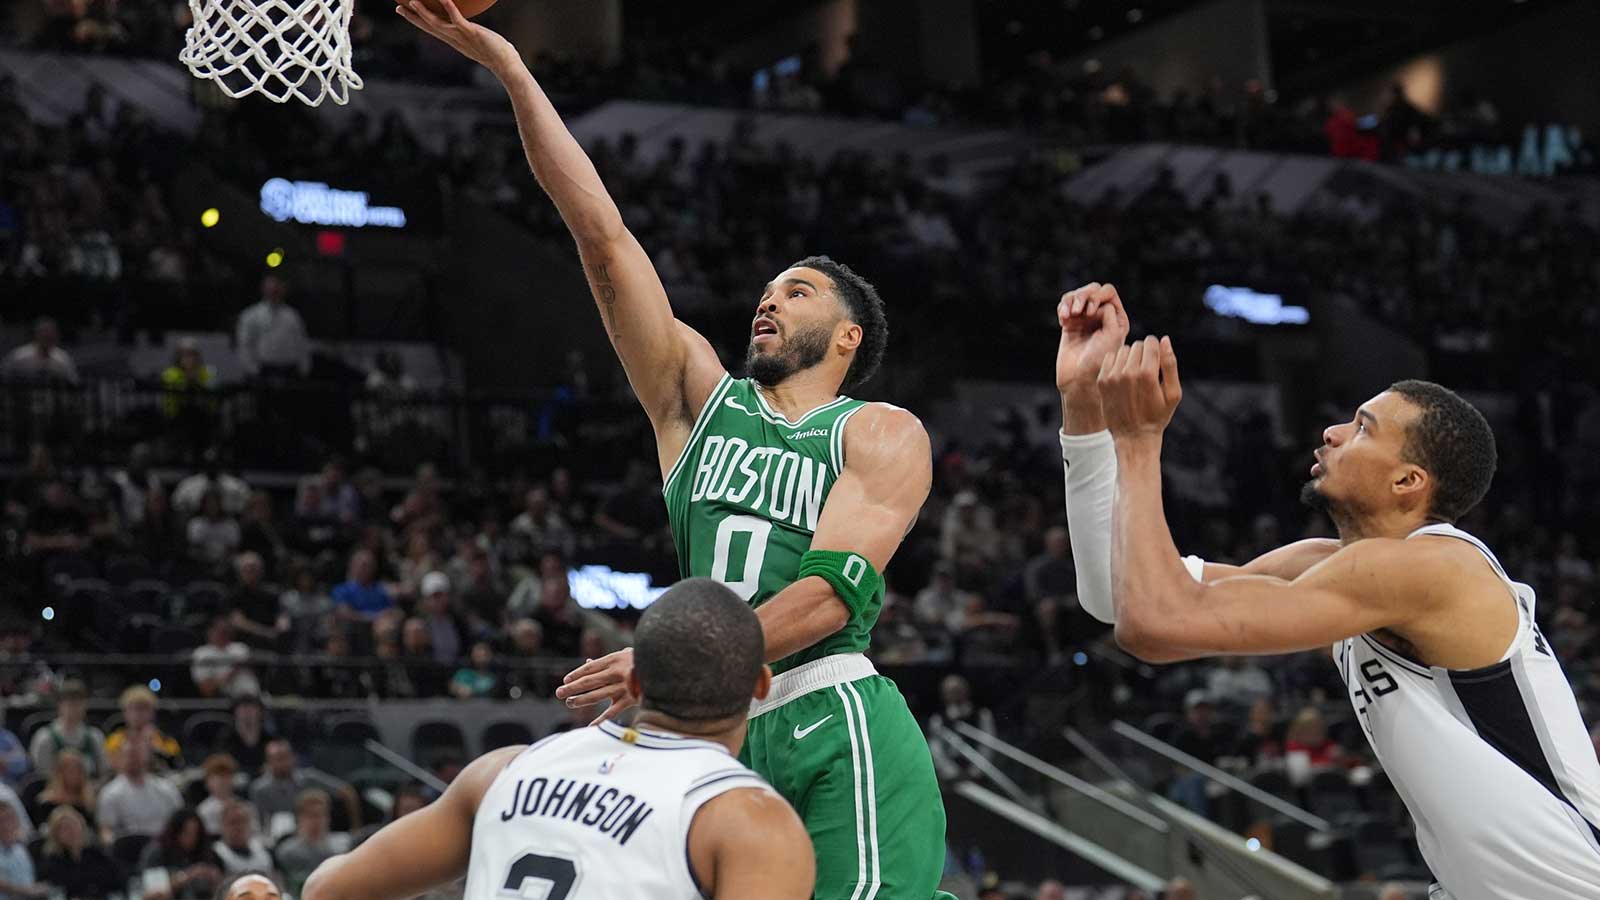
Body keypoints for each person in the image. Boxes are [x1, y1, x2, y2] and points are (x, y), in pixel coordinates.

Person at [406, 11, 946, 894]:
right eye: (765, 292)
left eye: (796, 292)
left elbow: (821, 599)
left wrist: (673, 658)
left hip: (823, 707)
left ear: (848, 336)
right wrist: (511, 71)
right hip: (704, 731)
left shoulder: (878, 429)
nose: (768, 303)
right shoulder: (697, 400)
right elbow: (604, 240)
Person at [1054, 282, 1600, 899]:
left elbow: (1155, 622)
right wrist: (1085, 410)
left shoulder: (1435, 569)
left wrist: (1139, 442)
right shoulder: (1334, 566)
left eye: (1363, 428)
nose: (1333, 432)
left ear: (1408, 481)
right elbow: (1119, 596)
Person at [300, 576, 813, 900]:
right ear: (760, 685)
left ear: (633, 684)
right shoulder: (749, 822)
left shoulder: (504, 769)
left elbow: (326, 889)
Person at [98, 739, 184, 845]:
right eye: (129, 755)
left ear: (146, 757)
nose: (134, 759)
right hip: (130, 849)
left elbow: (181, 820)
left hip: (165, 846)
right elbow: (106, 830)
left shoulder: (167, 788)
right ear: (120, 758)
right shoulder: (110, 793)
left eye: (138, 755)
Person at [27, 680, 109, 780]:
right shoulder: (44, 738)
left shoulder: (95, 737)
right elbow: (42, 776)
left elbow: (104, 773)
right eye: (70, 703)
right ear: (60, 705)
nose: (74, 708)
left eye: (78, 703)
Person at [35, 807, 123, 900]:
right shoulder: (51, 863)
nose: (72, 831)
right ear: (55, 834)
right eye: (65, 828)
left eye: (74, 825)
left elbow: (117, 879)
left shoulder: (96, 855)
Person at [273, 790, 348, 896]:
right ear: (299, 818)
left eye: (321, 815)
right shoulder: (286, 852)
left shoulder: (341, 848)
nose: (317, 821)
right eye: (311, 815)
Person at [137, 809, 223, 900]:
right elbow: (155, 893)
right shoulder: (157, 853)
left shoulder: (205, 851)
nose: (192, 839)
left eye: (196, 834)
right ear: (176, 833)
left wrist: (215, 878)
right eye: (187, 833)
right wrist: (187, 876)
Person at [235, 274, 310, 379]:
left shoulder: (292, 316)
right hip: (263, 370)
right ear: (264, 290)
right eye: (271, 289)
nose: (275, 292)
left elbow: (301, 343)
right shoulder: (251, 315)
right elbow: (244, 345)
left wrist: (304, 367)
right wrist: (252, 369)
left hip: (290, 370)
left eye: (278, 288)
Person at [106, 684, 184, 773]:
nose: (137, 714)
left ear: (152, 711)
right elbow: (110, 768)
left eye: (143, 708)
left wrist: (153, 748)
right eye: (133, 708)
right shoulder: (114, 740)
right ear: (125, 712)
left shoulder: (166, 741)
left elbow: (176, 768)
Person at [192, 616, 259, 700]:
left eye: (227, 630)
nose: (224, 633)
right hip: (228, 700)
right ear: (210, 631)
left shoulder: (241, 648)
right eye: (220, 630)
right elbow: (207, 690)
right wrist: (233, 672)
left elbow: (256, 672)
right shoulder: (202, 653)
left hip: (255, 698)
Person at [28, 750, 95, 833]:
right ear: (59, 773)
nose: (74, 774)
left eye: (78, 769)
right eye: (70, 769)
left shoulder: (87, 803)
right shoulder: (46, 803)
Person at [1, 318, 78, 384]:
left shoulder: (63, 359)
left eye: (50, 337)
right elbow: (3, 376)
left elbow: (74, 382)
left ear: (56, 336)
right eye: (44, 335)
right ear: (36, 335)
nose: (47, 339)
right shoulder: (19, 356)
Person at [210, 801, 274, 875]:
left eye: (243, 821)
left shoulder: (264, 850)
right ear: (222, 826)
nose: (239, 827)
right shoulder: (215, 854)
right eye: (233, 822)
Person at [214, 695, 271, 777]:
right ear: (235, 711)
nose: (247, 712)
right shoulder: (225, 737)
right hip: (234, 777)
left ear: (260, 712)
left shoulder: (268, 738)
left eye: (252, 708)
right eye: (243, 708)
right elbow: (220, 760)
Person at [0, 803, 43, 900]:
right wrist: (27, 891)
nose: (6, 825)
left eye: (10, 819)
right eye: (1, 820)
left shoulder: (20, 850)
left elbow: (29, 882)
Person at [196, 754, 241, 836]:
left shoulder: (244, 806)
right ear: (208, 781)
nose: (224, 781)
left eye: (227, 776)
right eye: (219, 776)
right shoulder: (203, 811)